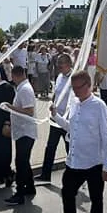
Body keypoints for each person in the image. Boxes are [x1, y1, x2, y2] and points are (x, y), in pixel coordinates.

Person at [51, 71, 107, 213]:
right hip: (74, 161)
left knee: (96, 200)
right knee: (67, 195)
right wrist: (56, 116)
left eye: (79, 87)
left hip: (94, 162)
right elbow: (72, 128)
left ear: (88, 85)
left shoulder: (98, 105)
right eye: (74, 88)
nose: (76, 91)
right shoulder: (74, 102)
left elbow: (106, 136)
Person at [4, 65, 38, 206]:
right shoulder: (22, 88)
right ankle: (30, 187)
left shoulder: (25, 89)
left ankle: (20, 193)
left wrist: (9, 107)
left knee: (20, 162)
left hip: (26, 131)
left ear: (15, 76)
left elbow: (29, 111)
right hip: (22, 131)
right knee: (24, 161)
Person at [39, 52, 73, 183]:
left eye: (62, 63)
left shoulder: (73, 79)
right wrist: (52, 103)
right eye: (58, 63)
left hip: (66, 119)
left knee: (69, 147)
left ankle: (74, 174)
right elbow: (56, 94)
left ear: (69, 64)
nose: (59, 66)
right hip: (55, 117)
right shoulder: (59, 77)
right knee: (50, 146)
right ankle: (45, 174)